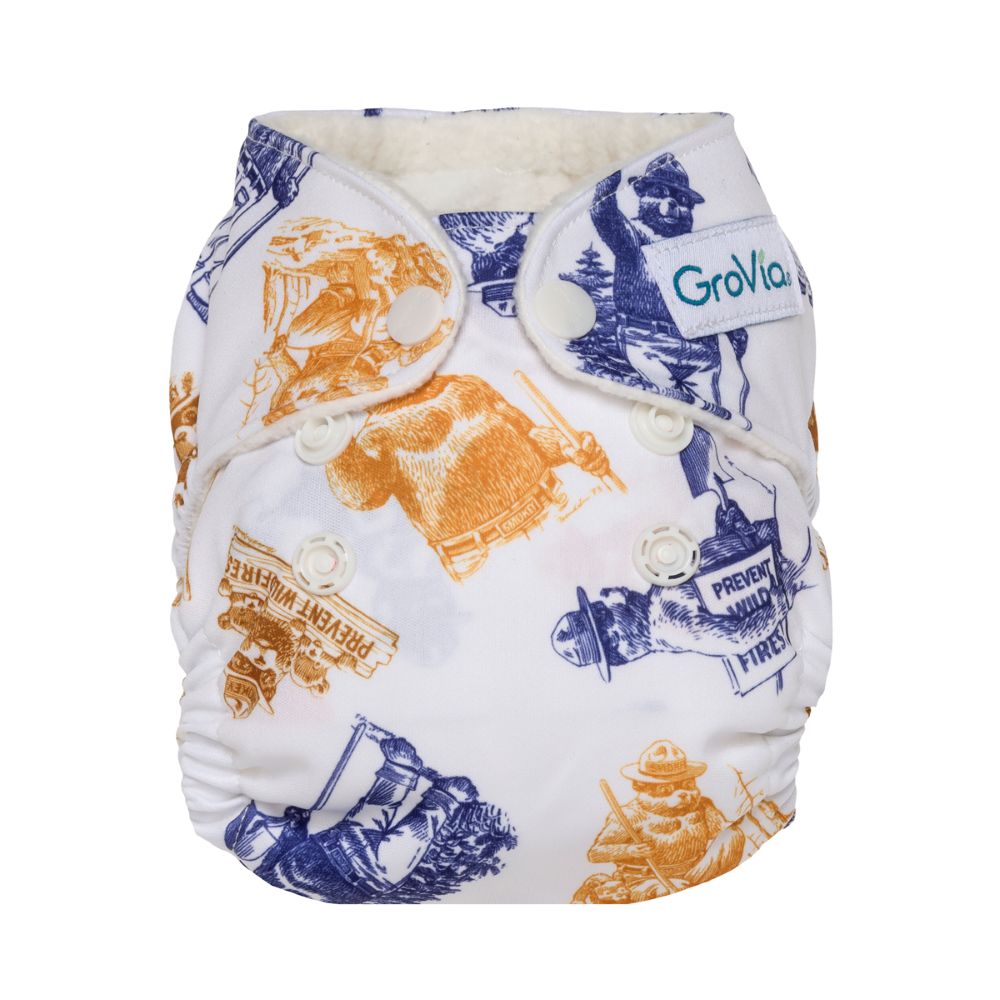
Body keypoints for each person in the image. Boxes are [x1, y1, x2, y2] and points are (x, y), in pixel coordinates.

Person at [590, 154, 748, 421]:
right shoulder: (636, 238)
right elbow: (604, 216)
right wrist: (608, 178)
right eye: (660, 193)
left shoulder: (699, 249)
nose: (674, 204)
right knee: (663, 414)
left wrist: (734, 332)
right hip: (647, 342)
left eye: (683, 200)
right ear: (642, 196)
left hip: (701, 349)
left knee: (711, 419)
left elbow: (719, 295)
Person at [573, 740, 744, 903]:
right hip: (645, 879)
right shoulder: (630, 815)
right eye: (666, 789)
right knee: (666, 892)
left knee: (733, 836)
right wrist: (630, 850)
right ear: (644, 789)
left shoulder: (703, 806)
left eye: (688, 785)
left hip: (695, 871)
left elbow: (721, 831)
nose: (682, 794)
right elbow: (595, 853)